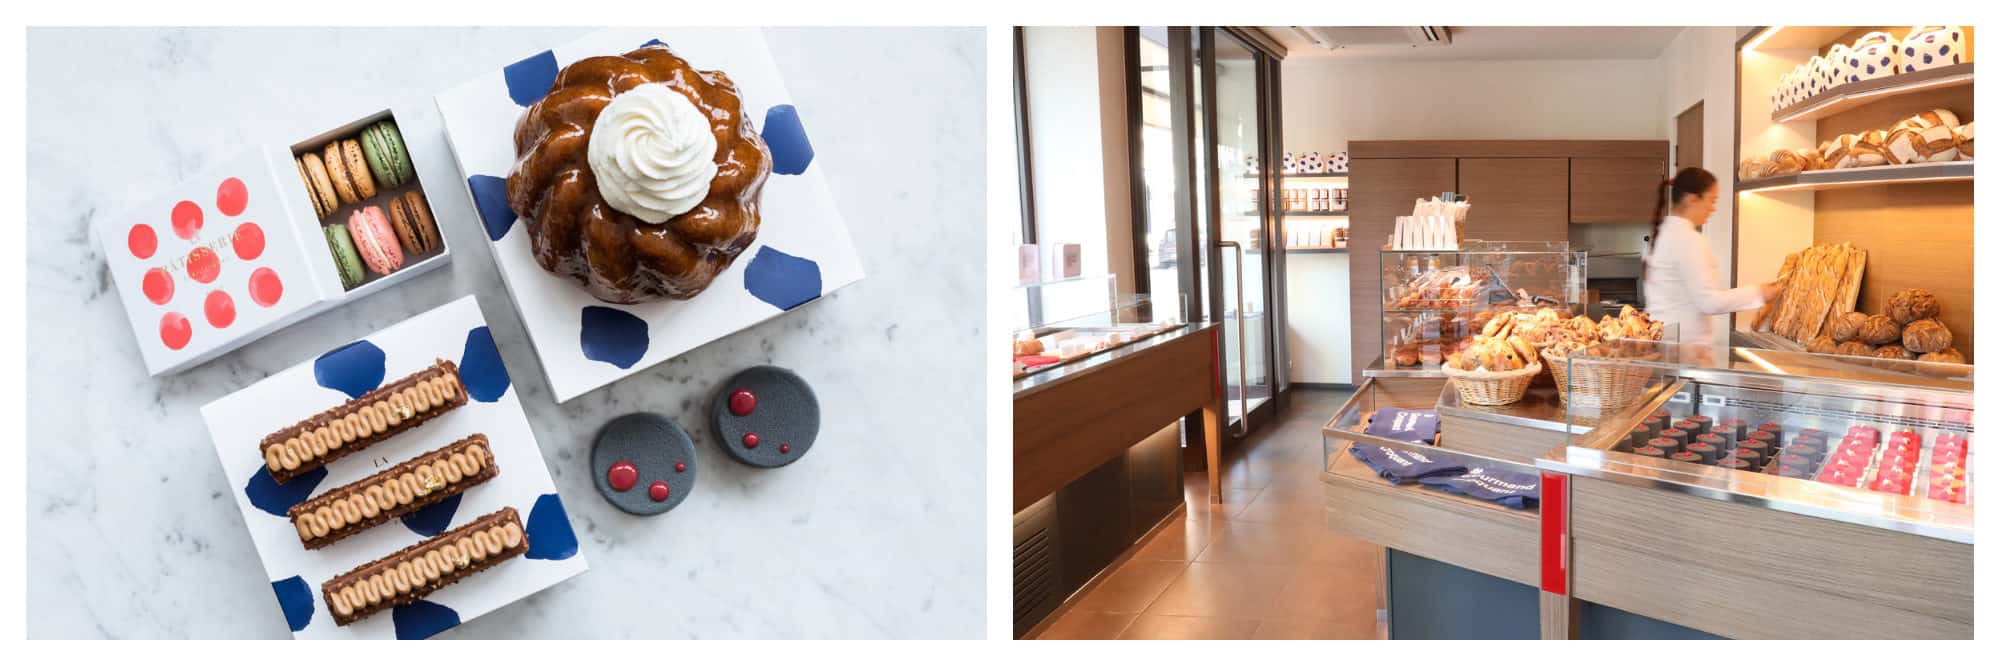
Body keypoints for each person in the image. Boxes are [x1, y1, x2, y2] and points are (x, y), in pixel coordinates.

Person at [1641, 167, 1783, 350]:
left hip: (1664, 343)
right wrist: (1759, 293)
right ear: (1692, 199)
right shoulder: (1689, 240)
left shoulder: (1661, 235)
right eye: (1712, 200)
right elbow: (1709, 302)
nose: (1713, 208)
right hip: (1685, 350)